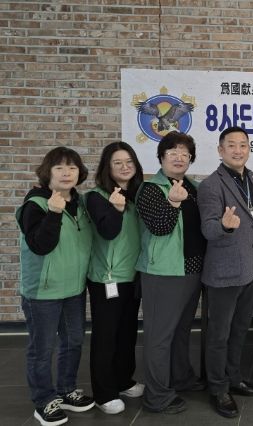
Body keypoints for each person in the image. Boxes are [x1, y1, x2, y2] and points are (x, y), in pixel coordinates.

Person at [197, 126, 253, 418]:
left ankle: (234, 378)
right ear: (220, 150)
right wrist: (224, 226)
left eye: (243, 145)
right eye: (231, 145)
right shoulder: (210, 185)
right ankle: (218, 388)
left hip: (251, 268)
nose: (238, 150)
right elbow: (208, 229)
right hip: (224, 272)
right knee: (219, 334)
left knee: (240, 329)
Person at [17, 147, 95, 426]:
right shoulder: (35, 204)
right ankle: (43, 401)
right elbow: (40, 245)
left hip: (74, 289)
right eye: (59, 167)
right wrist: (53, 213)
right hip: (43, 291)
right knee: (42, 349)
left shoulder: (80, 202)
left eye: (72, 168)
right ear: (47, 172)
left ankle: (65, 390)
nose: (66, 173)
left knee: (73, 341)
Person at [135, 131, 206, 414]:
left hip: (192, 270)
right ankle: (157, 395)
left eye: (185, 154)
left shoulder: (195, 187)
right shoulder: (150, 189)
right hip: (163, 272)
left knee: (181, 331)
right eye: (173, 152)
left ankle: (181, 377)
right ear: (161, 157)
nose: (179, 157)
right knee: (159, 337)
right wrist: (173, 202)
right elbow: (160, 227)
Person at [86, 142, 145, 414]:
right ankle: (104, 393)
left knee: (127, 333)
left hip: (132, 275)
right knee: (106, 337)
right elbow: (108, 231)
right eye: (117, 162)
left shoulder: (135, 196)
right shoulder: (97, 197)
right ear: (107, 168)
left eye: (129, 161)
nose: (124, 167)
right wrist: (116, 209)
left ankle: (123, 380)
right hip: (106, 279)